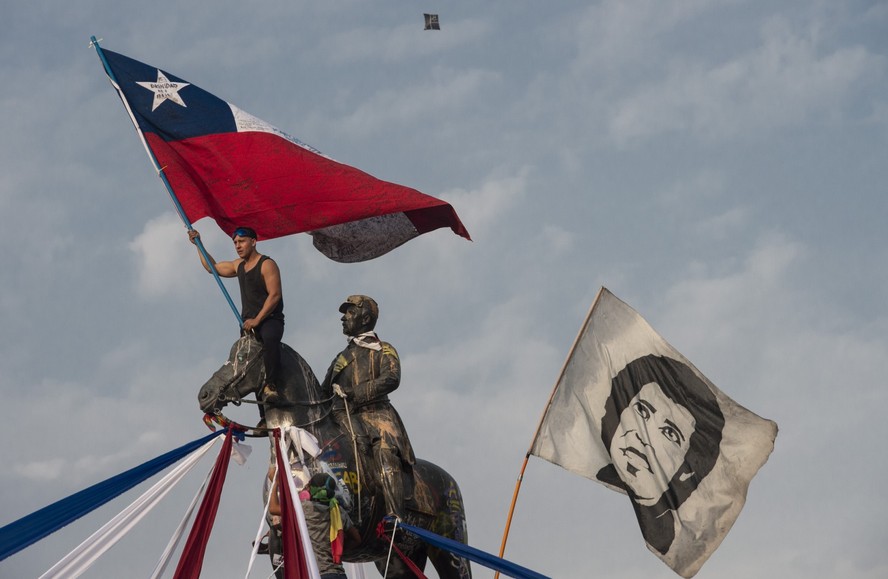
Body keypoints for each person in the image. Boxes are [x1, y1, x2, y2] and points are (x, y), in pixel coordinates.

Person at [595, 354, 725, 555]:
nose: (643, 436)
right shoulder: (597, 470)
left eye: (669, 433)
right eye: (642, 411)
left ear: (686, 473)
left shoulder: (667, 538)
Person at [321, 295, 415, 521]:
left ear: (364, 319)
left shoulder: (383, 349)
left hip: (377, 415)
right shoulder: (341, 358)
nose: (344, 318)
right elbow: (322, 392)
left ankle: (396, 514)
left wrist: (355, 392)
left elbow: (392, 378)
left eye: (350, 313)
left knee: (384, 451)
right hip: (344, 418)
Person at [188, 227, 285, 416]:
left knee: (270, 341)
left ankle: (272, 385)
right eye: (235, 243)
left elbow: (275, 295)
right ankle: (263, 415)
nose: (238, 246)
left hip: (269, 320)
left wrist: (258, 319)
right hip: (248, 325)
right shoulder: (238, 265)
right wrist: (198, 244)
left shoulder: (267, 264)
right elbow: (211, 267)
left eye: (241, 242)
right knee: (247, 362)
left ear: (253, 242)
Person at [266, 469, 359, 579]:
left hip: (318, 574)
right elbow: (356, 539)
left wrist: (275, 483)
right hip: (339, 574)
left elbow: (273, 508)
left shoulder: (305, 509)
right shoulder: (338, 511)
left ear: (310, 491)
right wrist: (336, 552)